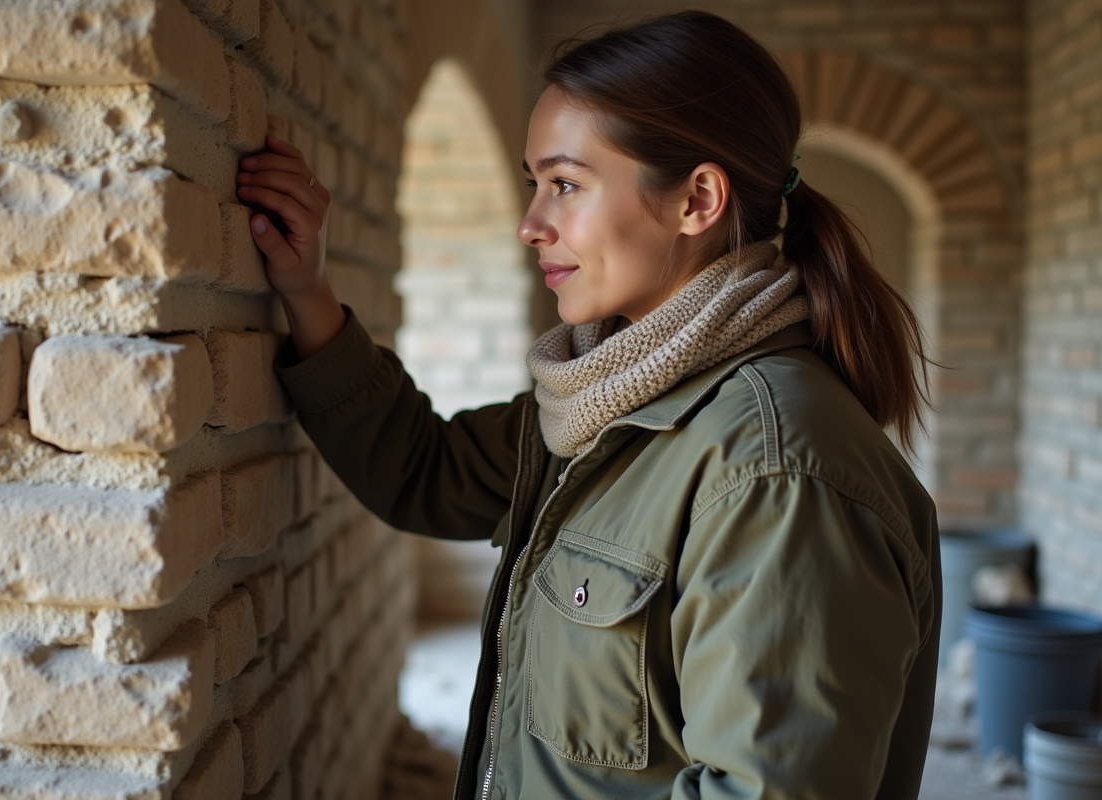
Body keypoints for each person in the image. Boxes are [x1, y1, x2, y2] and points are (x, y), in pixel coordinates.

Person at [237, 10, 941, 800]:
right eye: (533, 184)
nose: (530, 225)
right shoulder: (607, 395)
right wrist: (306, 291)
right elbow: (424, 471)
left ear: (696, 200)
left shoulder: (775, 472)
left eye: (565, 184)